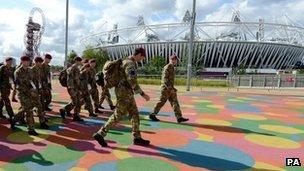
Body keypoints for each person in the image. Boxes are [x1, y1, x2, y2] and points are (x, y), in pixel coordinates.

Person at [93, 47, 151, 147]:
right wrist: (143, 94)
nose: (141, 60)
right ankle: (100, 133)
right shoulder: (130, 64)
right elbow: (132, 81)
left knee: (134, 114)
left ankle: (137, 137)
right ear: (138, 55)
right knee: (118, 114)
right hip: (125, 93)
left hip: (124, 92)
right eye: (142, 57)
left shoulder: (125, 61)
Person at [149, 54, 189, 123]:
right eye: (175, 60)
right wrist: (171, 89)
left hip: (170, 89)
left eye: (176, 60)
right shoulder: (167, 67)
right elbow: (165, 80)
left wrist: (173, 88)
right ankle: (152, 114)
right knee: (161, 102)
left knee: (175, 103)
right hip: (165, 89)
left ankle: (179, 117)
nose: (176, 62)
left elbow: (170, 80)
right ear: (171, 60)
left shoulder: (172, 67)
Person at [13, 56, 41, 135]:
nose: (27, 63)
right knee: (29, 110)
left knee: (25, 109)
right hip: (22, 94)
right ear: (22, 61)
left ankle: (14, 119)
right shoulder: (17, 72)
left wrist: (35, 90)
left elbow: (32, 81)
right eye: (25, 61)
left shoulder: (30, 70)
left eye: (28, 61)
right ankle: (31, 129)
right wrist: (30, 91)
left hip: (31, 93)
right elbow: (19, 85)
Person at [60, 56, 84, 122]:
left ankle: (76, 115)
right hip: (72, 88)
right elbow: (70, 80)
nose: (80, 62)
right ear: (76, 61)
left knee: (78, 102)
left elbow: (78, 79)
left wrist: (79, 88)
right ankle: (63, 110)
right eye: (79, 61)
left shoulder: (76, 68)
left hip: (76, 88)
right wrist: (71, 89)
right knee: (75, 101)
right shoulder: (72, 68)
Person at [0, 57, 15, 128]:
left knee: (2, 101)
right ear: (6, 61)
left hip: (8, 88)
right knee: (7, 101)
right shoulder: (2, 68)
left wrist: (14, 83)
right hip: (2, 88)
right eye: (9, 61)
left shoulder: (11, 69)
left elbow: (12, 77)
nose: (10, 63)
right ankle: (11, 116)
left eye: (11, 62)